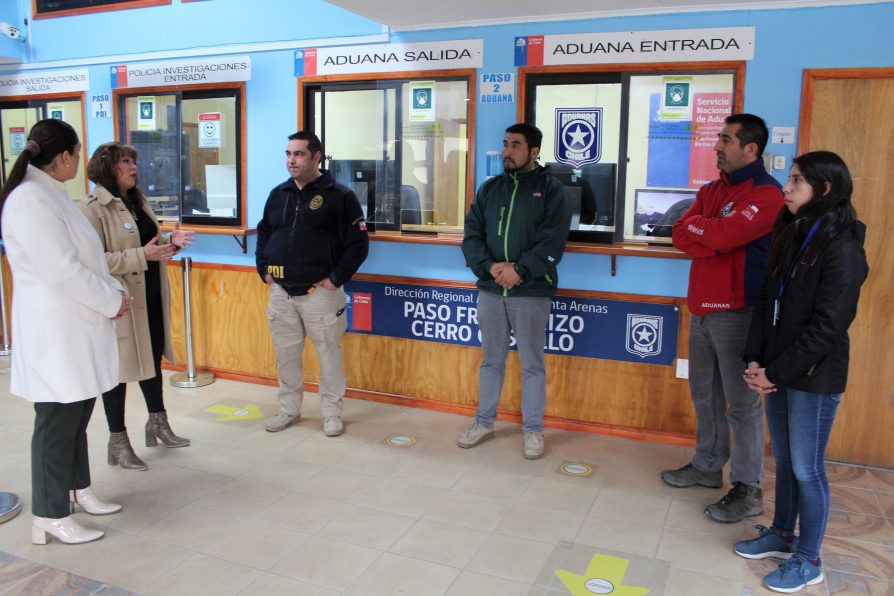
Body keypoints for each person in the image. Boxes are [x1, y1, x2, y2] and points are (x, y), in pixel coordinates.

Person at [734, 151, 868, 593]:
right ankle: (782, 535)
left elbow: (829, 326)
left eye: (795, 181)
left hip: (813, 376)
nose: (785, 188)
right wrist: (755, 359)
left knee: (808, 470)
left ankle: (809, 559)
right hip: (778, 370)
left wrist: (778, 372)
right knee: (787, 463)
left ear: (824, 189)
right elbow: (766, 304)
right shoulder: (792, 233)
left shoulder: (843, 246)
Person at [0, 119, 131, 544]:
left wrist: (114, 290)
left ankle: (77, 490)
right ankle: (49, 514)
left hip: (77, 327)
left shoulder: (52, 194)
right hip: (55, 334)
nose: (79, 160)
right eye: (77, 152)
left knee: (76, 417)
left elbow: (87, 261)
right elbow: (61, 271)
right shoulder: (28, 200)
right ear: (64, 157)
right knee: (56, 424)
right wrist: (111, 300)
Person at [662, 114, 784, 522]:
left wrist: (708, 231)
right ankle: (707, 465)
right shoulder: (713, 189)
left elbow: (721, 237)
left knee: (741, 405)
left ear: (751, 148)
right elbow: (680, 233)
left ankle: (749, 488)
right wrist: (707, 229)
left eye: (726, 139)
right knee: (704, 394)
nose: (717, 145)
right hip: (700, 308)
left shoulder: (768, 195)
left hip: (738, 312)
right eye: (718, 137)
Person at [459, 123, 572, 459]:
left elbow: (553, 241)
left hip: (531, 291)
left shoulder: (551, 191)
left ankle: (534, 429)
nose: (508, 151)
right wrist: (491, 268)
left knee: (532, 364)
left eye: (516, 146)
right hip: (492, 289)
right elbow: (472, 234)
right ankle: (483, 421)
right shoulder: (490, 188)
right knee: (491, 361)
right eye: (506, 144)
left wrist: (520, 270)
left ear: (534, 152)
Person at [80, 142, 193, 472]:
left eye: (133, 161)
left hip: (151, 298)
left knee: (152, 359)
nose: (133, 167)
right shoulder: (91, 209)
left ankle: (157, 424)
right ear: (106, 167)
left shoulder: (137, 201)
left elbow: (148, 244)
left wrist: (169, 243)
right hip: (121, 303)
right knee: (118, 373)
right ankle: (118, 442)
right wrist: (142, 256)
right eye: (125, 162)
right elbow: (94, 261)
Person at [256, 131, 369, 436]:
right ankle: (288, 409)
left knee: (328, 355)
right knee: (286, 355)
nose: (291, 160)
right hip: (281, 291)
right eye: (288, 154)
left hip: (320, 293)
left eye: (299, 154)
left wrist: (335, 280)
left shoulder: (341, 196)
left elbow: (358, 245)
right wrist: (263, 269)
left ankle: (331, 414)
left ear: (316, 156)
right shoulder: (278, 194)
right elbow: (264, 232)